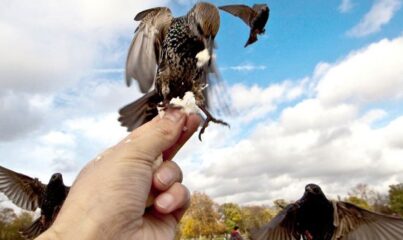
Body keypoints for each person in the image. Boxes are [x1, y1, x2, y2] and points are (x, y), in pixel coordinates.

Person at [37, 109, 201, 240]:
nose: (58, 178)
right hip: (46, 219)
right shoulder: (37, 188)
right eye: (55, 177)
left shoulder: (68, 192)